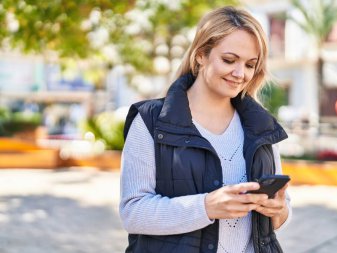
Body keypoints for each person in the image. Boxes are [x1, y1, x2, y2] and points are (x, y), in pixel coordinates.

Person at [120, 6, 291, 253]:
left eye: (250, 64)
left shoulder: (260, 126)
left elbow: (282, 213)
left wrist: (279, 210)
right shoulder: (150, 121)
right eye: (229, 60)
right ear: (201, 55)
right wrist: (206, 207)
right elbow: (132, 212)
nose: (240, 73)